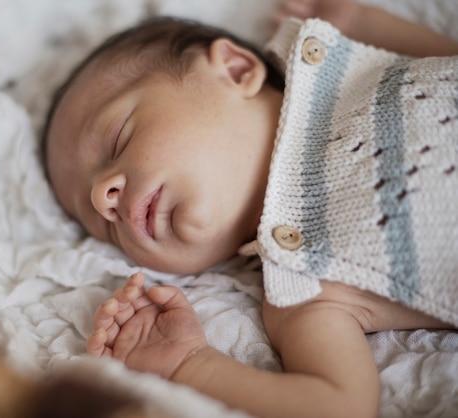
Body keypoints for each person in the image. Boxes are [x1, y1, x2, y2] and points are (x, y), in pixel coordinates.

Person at [40, 0, 458, 416]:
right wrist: (188, 363)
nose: (103, 198)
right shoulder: (302, 289)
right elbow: (339, 406)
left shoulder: (350, 71)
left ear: (236, 70)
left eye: (117, 139)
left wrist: (365, 22)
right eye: (102, 226)